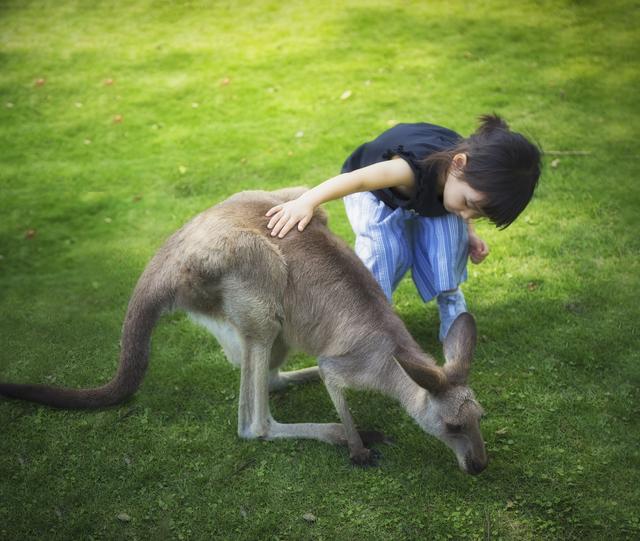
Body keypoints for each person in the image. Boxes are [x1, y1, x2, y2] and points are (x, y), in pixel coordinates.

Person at [265, 114, 541, 341]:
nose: (467, 213)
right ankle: (370, 318)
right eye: (469, 203)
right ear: (458, 164)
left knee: (449, 236)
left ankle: (451, 302)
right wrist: (306, 201)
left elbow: (465, 207)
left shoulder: (465, 180)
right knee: (385, 249)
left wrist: (469, 232)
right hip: (374, 194)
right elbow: (358, 180)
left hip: (429, 195)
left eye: (478, 213)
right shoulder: (407, 170)